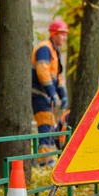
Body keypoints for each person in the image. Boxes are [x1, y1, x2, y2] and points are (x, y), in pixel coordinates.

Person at [31, 19, 69, 166]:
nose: (64, 38)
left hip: (44, 94)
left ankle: (46, 158)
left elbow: (56, 75)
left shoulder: (53, 51)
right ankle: (43, 160)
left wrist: (62, 95)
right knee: (46, 125)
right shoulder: (44, 49)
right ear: (54, 34)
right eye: (62, 34)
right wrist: (52, 92)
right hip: (38, 93)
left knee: (51, 125)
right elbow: (43, 71)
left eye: (65, 35)